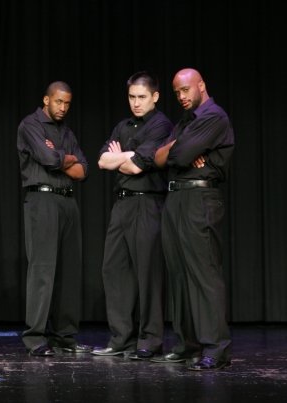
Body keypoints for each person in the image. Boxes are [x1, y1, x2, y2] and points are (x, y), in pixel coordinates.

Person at [151, 68, 234, 371]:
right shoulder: (185, 122)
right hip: (176, 198)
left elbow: (181, 155)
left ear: (201, 85)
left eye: (185, 90)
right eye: (177, 93)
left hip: (200, 198)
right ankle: (188, 345)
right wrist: (179, 147)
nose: (181, 97)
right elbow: (159, 158)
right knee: (178, 274)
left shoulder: (214, 117)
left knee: (203, 273)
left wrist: (179, 148)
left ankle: (216, 348)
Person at [91, 71, 173, 360]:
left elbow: (138, 165)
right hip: (122, 204)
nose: (136, 103)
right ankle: (121, 339)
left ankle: (149, 341)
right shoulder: (122, 126)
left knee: (148, 272)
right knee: (113, 269)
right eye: (131, 97)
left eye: (141, 97)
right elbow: (102, 161)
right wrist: (128, 155)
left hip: (148, 203)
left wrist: (125, 156)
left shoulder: (161, 125)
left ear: (155, 96)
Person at [17, 81, 91, 357]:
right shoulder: (31, 125)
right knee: (43, 270)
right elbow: (48, 159)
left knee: (69, 271)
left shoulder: (67, 132)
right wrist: (64, 158)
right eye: (59, 102)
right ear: (46, 100)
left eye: (67, 103)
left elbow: (83, 170)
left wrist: (61, 158)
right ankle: (35, 338)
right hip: (42, 199)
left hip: (67, 201)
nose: (63, 108)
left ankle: (64, 337)